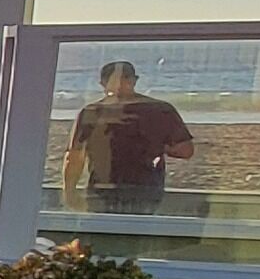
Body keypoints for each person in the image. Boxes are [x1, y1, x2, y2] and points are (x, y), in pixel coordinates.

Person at [64, 60, 196, 212]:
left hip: (104, 189)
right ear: (134, 80)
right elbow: (185, 150)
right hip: (146, 188)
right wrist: (155, 146)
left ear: (102, 83)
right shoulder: (160, 110)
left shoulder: (92, 112)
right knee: (140, 230)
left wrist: (70, 192)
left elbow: (74, 157)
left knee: (102, 230)